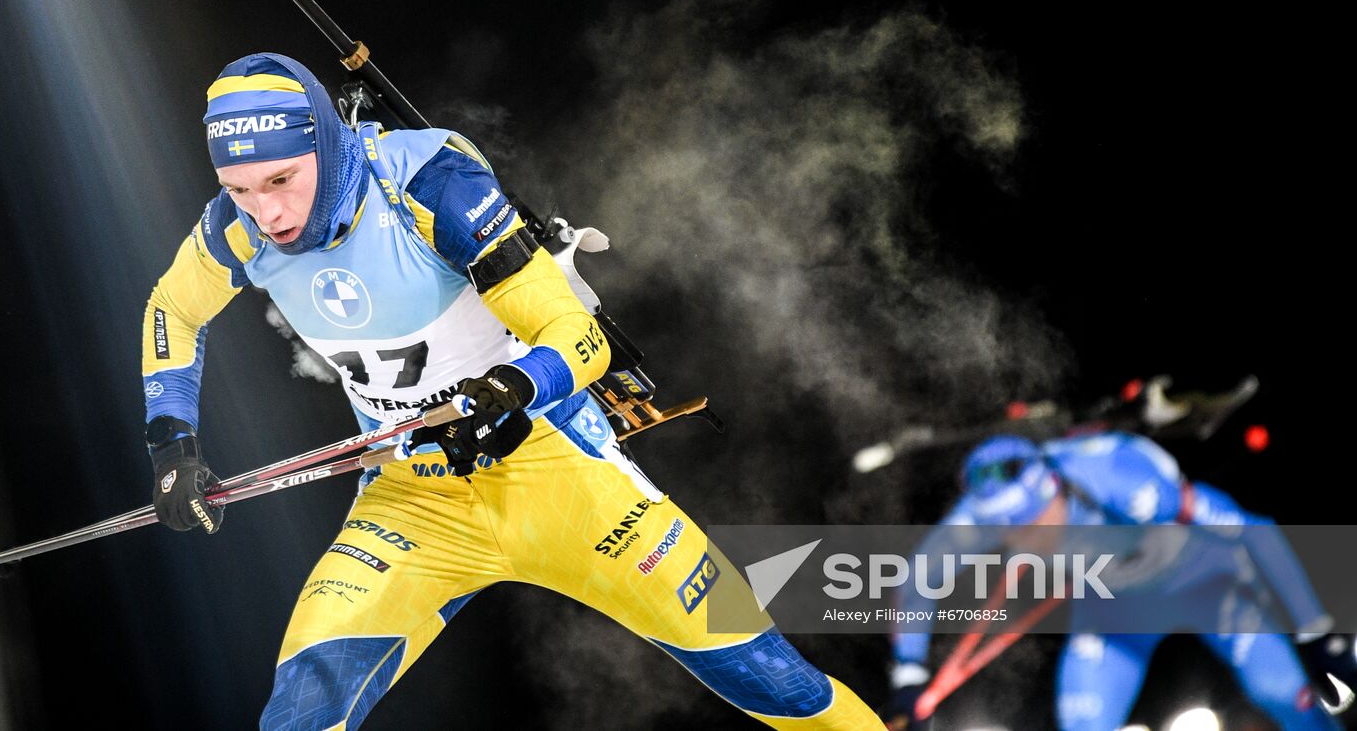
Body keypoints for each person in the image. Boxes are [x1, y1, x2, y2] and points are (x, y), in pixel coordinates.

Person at [141, 53, 882, 730]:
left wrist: (512, 387)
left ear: (326, 145)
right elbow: (171, 308)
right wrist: (171, 437)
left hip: (563, 478)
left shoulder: (428, 184)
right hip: (415, 499)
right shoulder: (233, 231)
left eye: (280, 181)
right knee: (298, 713)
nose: (265, 213)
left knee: (783, 689)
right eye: (238, 188)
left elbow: (578, 337)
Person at [884, 432, 1357, 731]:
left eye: (1032, 525)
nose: (1023, 540)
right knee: (1082, 723)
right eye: (1010, 533)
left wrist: (1315, 629)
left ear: (1056, 490)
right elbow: (921, 578)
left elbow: (1254, 530)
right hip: (1116, 612)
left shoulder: (1119, 480)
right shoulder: (991, 509)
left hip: (1208, 589)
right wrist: (908, 673)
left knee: (1286, 699)